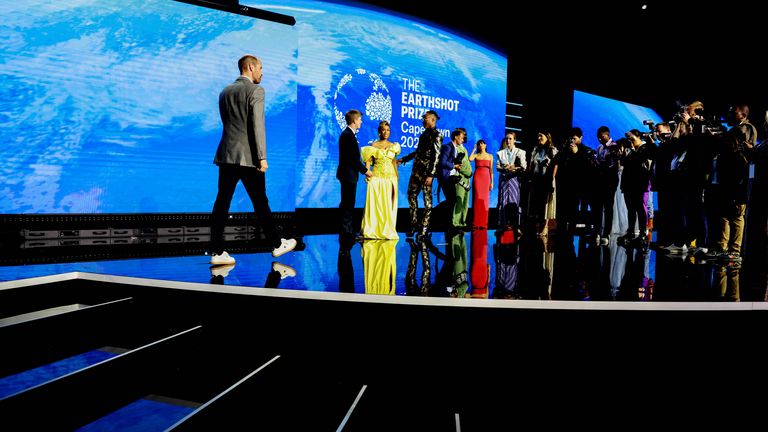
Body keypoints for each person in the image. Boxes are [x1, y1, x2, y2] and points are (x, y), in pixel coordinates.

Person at [209, 55, 297, 265]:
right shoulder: (256, 90)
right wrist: (262, 157)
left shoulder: (225, 91)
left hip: (227, 154)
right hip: (248, 157)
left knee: (221, 203)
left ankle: (216, 252)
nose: (262, 72)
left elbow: (230, 124)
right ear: (250, 67)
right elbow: (257, 126)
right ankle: (277, 245)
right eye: (260, 68)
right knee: (260, 202)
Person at [398, 110, 442, 238]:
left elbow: (436, 156)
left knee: (427, 201)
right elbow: (418, 152)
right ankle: (413, 225)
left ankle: (424, 229)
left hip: (426, 174)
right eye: (423, 118)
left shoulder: (437, 135)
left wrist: (431, 175)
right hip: (416, 171)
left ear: (433, 120)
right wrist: (404, 159)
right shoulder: (423, 135)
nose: (423, 120)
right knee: (411, 195)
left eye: (425, 118)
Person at [336, 109, 373, 240]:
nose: (361, 122)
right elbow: (352, 158)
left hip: (348, 174)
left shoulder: (349, 135)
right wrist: (366, 171)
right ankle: (347, 233)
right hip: (348, 175)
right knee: (348, 204)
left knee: (347, 203)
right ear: (354, 120)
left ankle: (346, 231)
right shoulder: (348, 135)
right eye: (360, 120)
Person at [360, 121, 400, 240]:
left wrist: (396, 176)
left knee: (388, 205)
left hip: (390, 178)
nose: (386, 132)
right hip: (376, 178)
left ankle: (387, 229)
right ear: (379, 132)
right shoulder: (374, 145)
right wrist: (367, 173)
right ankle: (373, 229)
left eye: (388, 130)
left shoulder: (394, 146)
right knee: (376, 204)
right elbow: (368, 160)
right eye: (383, 130)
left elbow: (393, 161)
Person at [438, 128, 471, 233]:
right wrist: (454, 166)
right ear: (456, 137)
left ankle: (450, 226)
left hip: (452, 178)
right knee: (452, 201)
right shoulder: (448, 147)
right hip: (446, 178)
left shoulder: (456, 148)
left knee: (452, 201)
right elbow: (442, 163)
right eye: (461, 137)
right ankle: (447, 223)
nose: (463, 139)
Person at [526, 131, 557, 237]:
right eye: (538, 136)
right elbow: (531, 163)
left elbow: (556, 165)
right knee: (536, 203)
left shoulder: (552, 150)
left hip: (547, 179)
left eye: (541, 136)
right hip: (536, 178)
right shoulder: (536, 149)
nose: (539, 138)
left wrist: (552, 178)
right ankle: (536, 226)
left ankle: (546, 227)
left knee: (546, 203)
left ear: (547, 137)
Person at [496, 132, 526, 234]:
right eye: (507, 139)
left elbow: (524, 166)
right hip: (504, 180)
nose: (508, 141)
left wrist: (514, 167)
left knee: (515, 203)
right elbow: (497, 167)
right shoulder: (501, 153)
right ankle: (502, 225)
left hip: (514, 180)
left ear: (514, 140)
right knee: (503, 202)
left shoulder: (520, 152)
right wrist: (505, 167)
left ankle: (516, 226)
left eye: (510, 139)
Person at [469, 139, 494, 229]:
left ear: (485, 145)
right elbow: (470, 159)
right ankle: (476, 222)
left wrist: (492, 182)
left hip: (486, 178)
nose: (481, 145)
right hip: (477, 178)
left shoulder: (490, 156)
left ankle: (483, 223)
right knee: (477, 199)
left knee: (485, 200)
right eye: (479, 144)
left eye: (482, 143)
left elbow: (491, 170)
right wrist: (474, 149)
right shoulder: (476, 155)